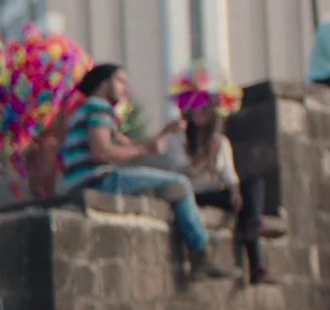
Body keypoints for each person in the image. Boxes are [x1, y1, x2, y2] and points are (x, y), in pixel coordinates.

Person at [59, 63, 236, 280]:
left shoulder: (87, 110)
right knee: (180, 184)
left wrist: (165, 133)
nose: (125, 88)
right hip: (98, 180)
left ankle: (199, 251)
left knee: (170, 185)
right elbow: (102, 152)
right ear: (104, 84)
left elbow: (131, 146)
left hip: (85, 180)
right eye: (120, 81)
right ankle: (200, 253)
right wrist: (148, 148)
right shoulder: (99, 108)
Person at [168, 74, 279, 285]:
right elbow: (181, 173)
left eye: (204, 108)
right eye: (195, 108)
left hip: (215, 191)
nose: (199, 112)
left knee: (251, 189)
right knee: (245, 208)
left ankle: (256, 241)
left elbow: (229, 173)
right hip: (194, 194)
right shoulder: (177, 138)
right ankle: (256, 263)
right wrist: (203, 155)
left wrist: (235, 191)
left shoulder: (220, 141)